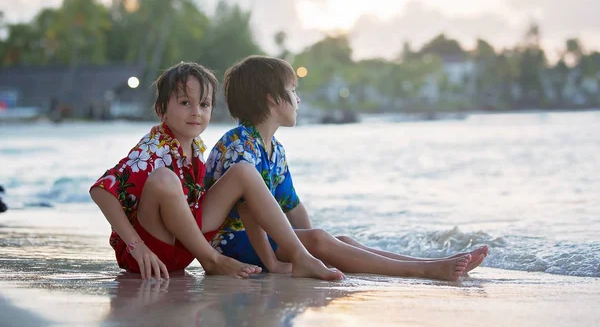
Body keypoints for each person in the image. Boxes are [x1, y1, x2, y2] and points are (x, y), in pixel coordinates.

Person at [204, 56, 488, 281]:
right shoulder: (240, 144)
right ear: (273, 98)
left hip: (260, 240)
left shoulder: (274, 149)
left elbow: (292, 206)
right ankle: (426, 271)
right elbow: (247, 209)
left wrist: (315, 248)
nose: (298, 99)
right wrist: (278, 261)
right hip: (232, 243)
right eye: (292, 91)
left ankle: (430, 263)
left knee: (339, 240)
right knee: (320, 240)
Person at [90, 62, 343, 281]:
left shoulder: (197, 148)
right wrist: (137, 246)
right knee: (164, 179)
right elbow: (102, 191)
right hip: (152, 253)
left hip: (186, 246)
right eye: (185, 103)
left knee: (243, 171)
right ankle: (212, 260)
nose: (195, 112)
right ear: (161, 110)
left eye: (204, 104)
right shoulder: (155, 146)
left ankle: (301, 256)